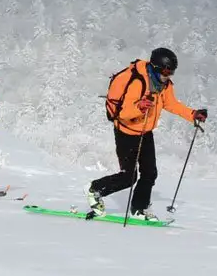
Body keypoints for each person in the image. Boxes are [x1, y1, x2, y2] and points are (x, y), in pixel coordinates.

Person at [88, 47, 208, 221]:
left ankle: (139, 208)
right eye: (166, 71)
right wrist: (139, 107)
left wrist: (193, 114)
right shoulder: (138, 82)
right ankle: (95, 189)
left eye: (171, 72)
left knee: (150, 173)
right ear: (155, 67)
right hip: (126, 133)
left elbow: (171, 104)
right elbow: (123, 113)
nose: (168, 75)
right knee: (128, 177)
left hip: (145, 132)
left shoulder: (163, 84)